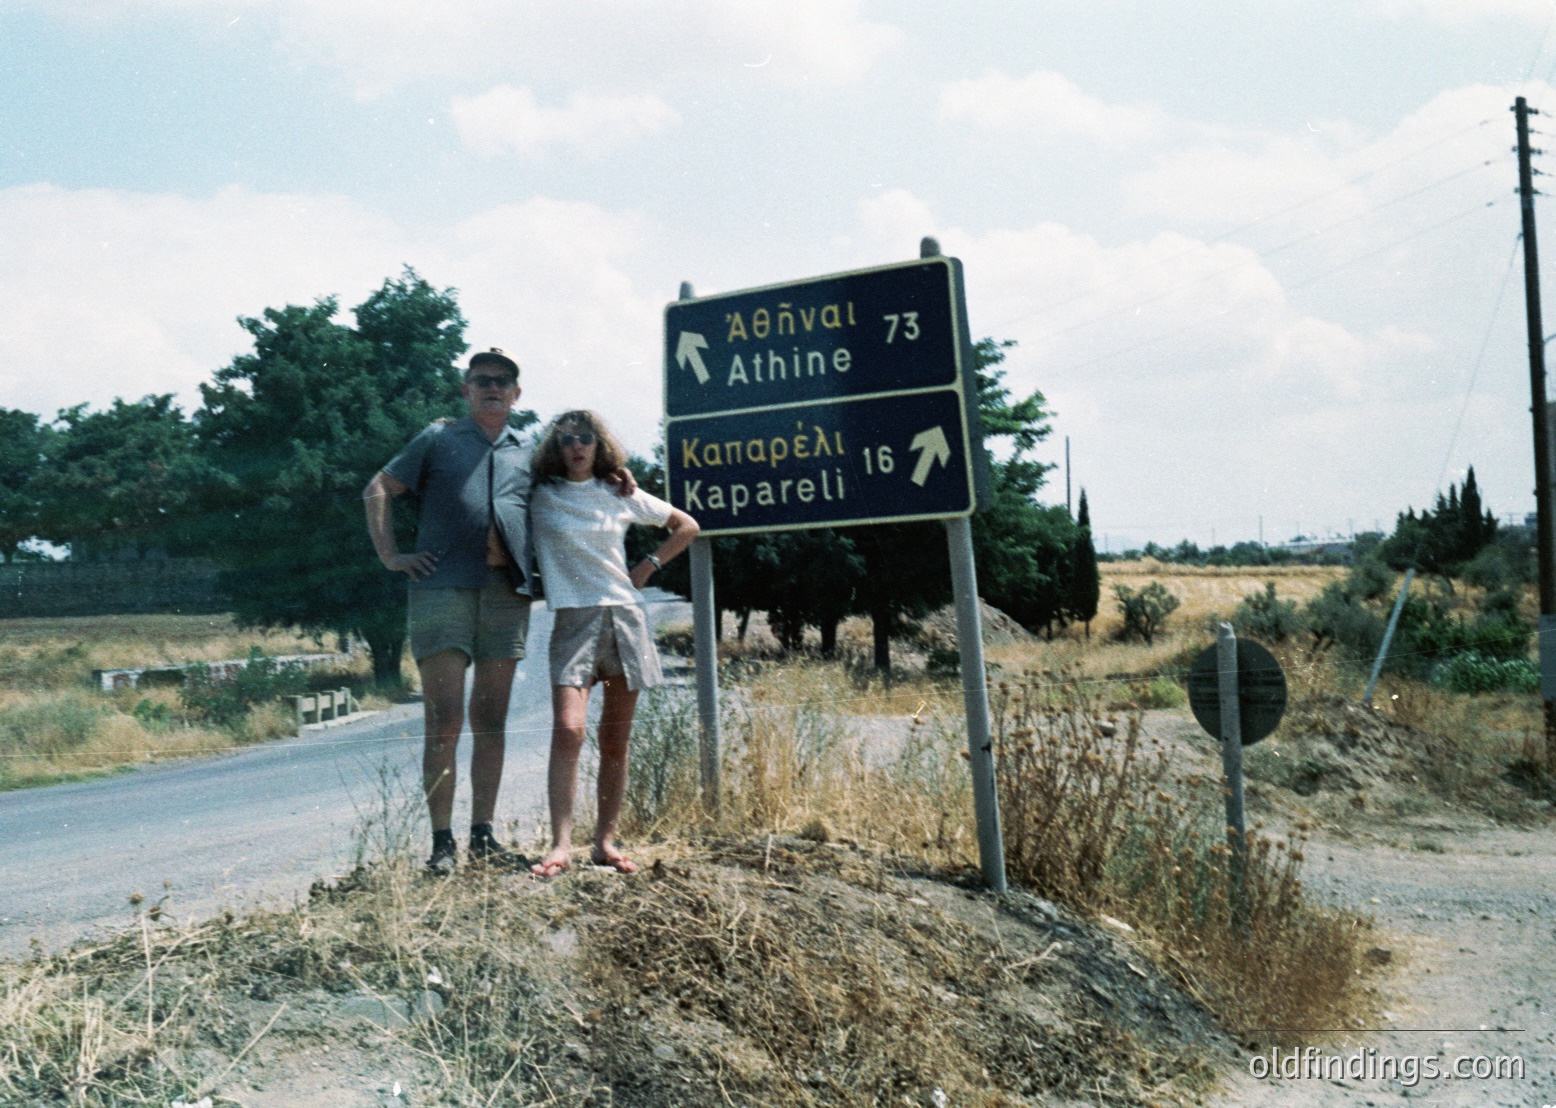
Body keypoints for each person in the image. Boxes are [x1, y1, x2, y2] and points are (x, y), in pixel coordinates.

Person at [362, 349, 634, 875]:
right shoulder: (438, 439)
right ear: (466, 389)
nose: (492, 387)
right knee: (445, 717)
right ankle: (442, 844)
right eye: (482, 379)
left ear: (517, 394)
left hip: (505, 593)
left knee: (491, 719)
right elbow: (378, 488)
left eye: (503, 381)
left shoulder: (530, 452)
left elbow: (579, 478)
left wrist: (617, 473)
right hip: (441, 589)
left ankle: (482, 837)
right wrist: (391, 556)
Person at [527, 410, 699, 877]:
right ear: (555, 448)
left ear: (599, 444)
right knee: (569, 729)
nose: (576, 447)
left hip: (624, 617)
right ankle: (560, 846)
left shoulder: (618, 491)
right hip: (573, 621)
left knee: (615, 740)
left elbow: (686, 525)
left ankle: (605, 841)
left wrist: (648, 566)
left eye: (585, 438)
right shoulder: (539, 495)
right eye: (566, 440)